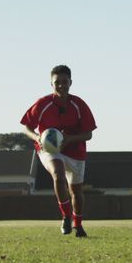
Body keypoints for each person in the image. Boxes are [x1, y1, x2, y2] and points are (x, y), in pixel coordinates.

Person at [21, 64, 97, 238]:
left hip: (75, 151)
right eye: (57, 82)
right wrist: (37, 138)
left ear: (71, 82)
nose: (61, 85)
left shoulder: (79, 104)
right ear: (51, 84)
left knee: (77, 192)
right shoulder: (43, 103)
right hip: (48, 149)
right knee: (58, 174)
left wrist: (70, 139)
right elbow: (26, 127)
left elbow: (88, 134)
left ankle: (78, 225)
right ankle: (66, 216)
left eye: (65, 81)